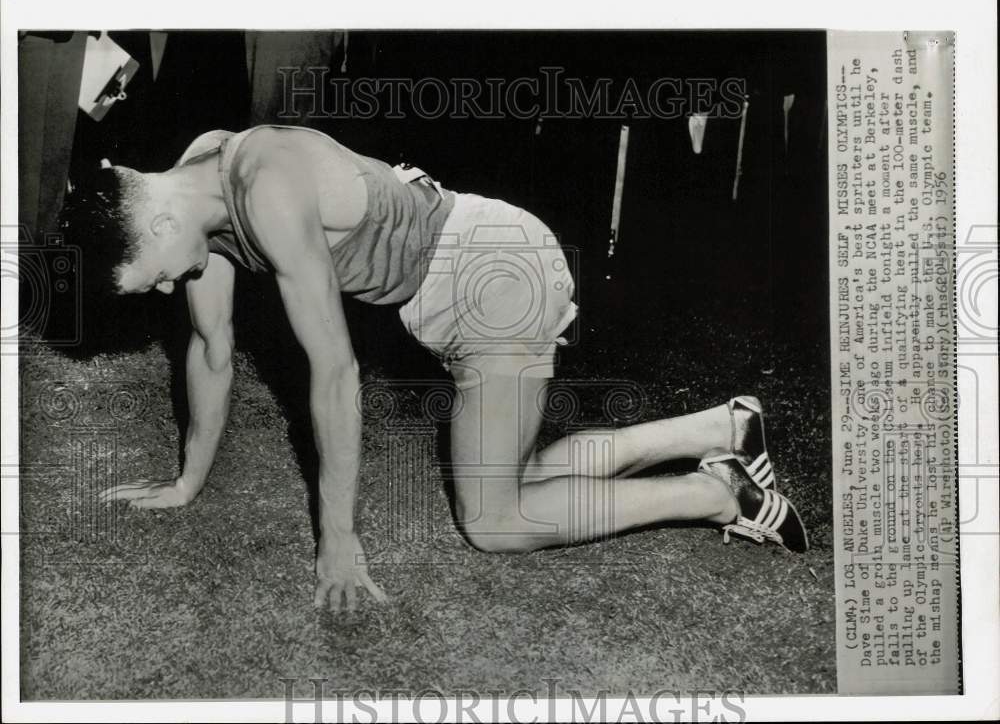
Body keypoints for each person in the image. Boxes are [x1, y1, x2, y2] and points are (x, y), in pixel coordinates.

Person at [88, 124, 808, 612]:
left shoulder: (263, 186)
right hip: (456, 289)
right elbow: (212, 347)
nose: (161, 289)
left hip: (497, 276)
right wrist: (187, 481)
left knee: (497, 519)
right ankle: (725, 428)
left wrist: (339, 539)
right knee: (517, 480)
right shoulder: (196, 185)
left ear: (156, 225)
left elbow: (335, 373)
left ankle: (717, 496)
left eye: (148, 276)